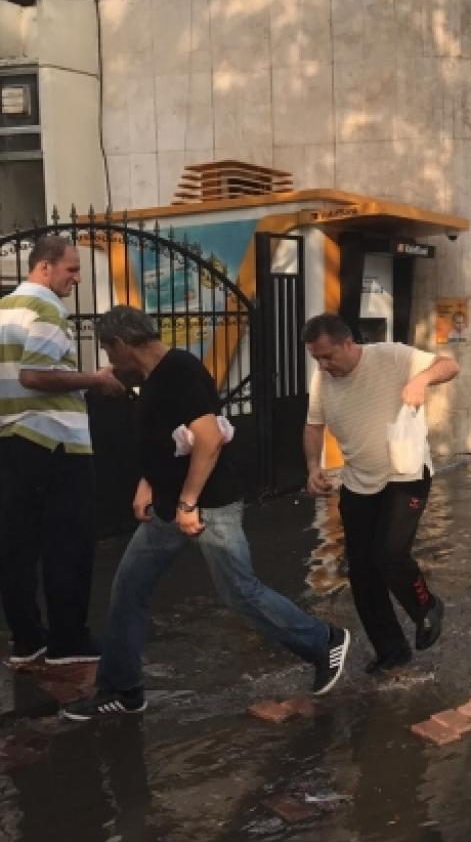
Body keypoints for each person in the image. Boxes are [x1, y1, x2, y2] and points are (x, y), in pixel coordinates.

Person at [61, 306, 349, 720]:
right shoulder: (155, 378)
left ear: (122, 344)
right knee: (128, 589)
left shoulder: (179, 371)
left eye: (109, 351)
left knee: (240, 592)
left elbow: (209, 439)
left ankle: (324, 642)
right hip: (170, 507)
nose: (110, 362)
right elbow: (167, 443)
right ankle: (122, 689)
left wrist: (188, 501)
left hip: (206, 506)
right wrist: (149, 484)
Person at [303, 313, 457, 675]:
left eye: (328, 356)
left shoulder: (390, 355)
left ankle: (426, 608)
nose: (323, 365)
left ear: (347, 343)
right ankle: (391, 650)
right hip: (358, 480)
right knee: (361, 570)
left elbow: (450, 365)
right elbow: (313, 425)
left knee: (389, 554)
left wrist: (422, 378)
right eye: (316, 359)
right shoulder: (322, 379)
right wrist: (313, 466)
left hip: (404, 475)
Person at [0, 235, 125, 668]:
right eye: (71, 269)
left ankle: (27, 639)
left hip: (12, 441)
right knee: (67, 544)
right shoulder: (47, 308)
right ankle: (68, 643)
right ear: (44, 267)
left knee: (16, 545)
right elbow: (36, 375)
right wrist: (96, 379)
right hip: (54, 440)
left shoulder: (4, 308)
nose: (75, 278)